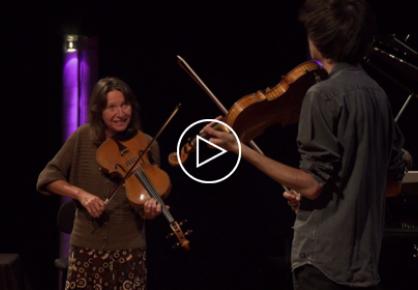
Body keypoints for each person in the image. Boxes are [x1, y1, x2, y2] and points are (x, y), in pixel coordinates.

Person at [202, 0, 407, 289]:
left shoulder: (321, 94)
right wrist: (325, 201)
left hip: (323, 262)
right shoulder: (379, 96)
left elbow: (312, 184)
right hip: (364, 264)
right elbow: (391, 185)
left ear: (320, 39)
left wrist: (239, 147)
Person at [37, 77, 162, 290]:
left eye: (125, 105)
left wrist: (151, 210)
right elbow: (47, 178)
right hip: (86, 247)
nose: (121, 113)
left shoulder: (146, 145)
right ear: (98, 111)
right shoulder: (82, 137)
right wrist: (81, 195)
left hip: (129, 250)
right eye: (112, 107)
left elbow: (148, 201)